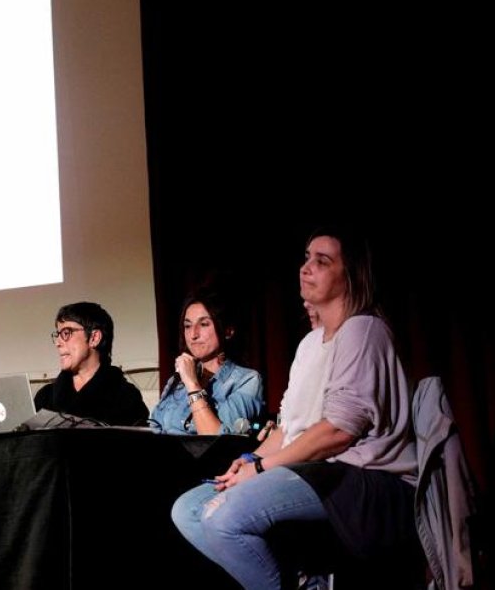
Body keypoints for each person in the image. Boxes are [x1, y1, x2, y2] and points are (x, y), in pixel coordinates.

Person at [170, 227, 418, 589]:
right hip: (315, 468)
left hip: (361, 478)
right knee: (189, 511)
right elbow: (289, 427)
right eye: (306, 258)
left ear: (350, 274)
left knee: (227, 518)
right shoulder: (309, 344)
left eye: (322, 261)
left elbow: (339, 430)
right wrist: (249, 460)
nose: (306, 268)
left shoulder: (364, 330)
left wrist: (263, 467)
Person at [151, 287, 264, 434]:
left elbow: (214, 439)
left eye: (203, 324)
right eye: (187, 326)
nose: (193, 335)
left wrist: (192, 384)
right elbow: (154, 427)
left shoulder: (247, 380)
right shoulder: (176, 380)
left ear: (228, 331)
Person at [34, 301, 149, 426]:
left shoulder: (126, 397)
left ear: (94, 338)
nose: (58, 342)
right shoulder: (45, 397)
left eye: (66, 333)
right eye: (58, 334)